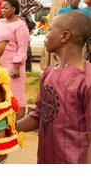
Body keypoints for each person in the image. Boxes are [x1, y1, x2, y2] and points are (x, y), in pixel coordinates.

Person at [16, 10, 91, 164]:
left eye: (50, 29)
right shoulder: (48, 73)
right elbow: (39, 115)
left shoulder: (86, 80)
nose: (47, 34)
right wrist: (7, 127)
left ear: (64, 36)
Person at [0, 0, 29, 120]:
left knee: (16, 94)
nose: (3, 10)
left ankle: (19, 124)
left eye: (6, 8)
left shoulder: (20, 25)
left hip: (13, 65)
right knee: (1, 93)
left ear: (14, 9)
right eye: (2, 8)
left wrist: (16, 66)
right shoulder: (0, 22)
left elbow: (23, 48)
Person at [8, 0, 43, 72]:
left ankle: (28, 69)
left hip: (22, 24)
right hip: (10, 24)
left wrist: (27, 12)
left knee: (25, 45)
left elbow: (39, 5)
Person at [39, 0, 70, 70]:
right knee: (48, 47)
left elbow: (68, 14)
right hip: (51, 28)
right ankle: (48, 70)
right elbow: (53, 12)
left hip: (61, 29)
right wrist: (46, 18)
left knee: (58, 49)